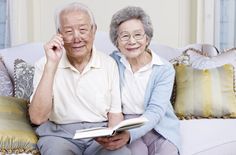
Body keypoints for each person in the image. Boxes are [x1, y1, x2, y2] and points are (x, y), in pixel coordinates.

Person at [29, 2, 131, 155]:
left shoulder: (109, 64)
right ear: (59, 34)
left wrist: (113, 135)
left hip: (99, 135)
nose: (76, 38)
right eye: (68, 31)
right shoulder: (45, 64)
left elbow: (115, 113)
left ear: (94, 30)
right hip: (59, 135)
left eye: (82, 30)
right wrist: (51, 65)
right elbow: (37, 118)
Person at [96, 6, 181, 155]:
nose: (132, 41)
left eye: (138, 35)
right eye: (124, 36)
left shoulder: (164, 69)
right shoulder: (112, 62)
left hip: (159, 127)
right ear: (116, 41)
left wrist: (130, 135)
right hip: (126, 125)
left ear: (147, 38)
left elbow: (156, 111)